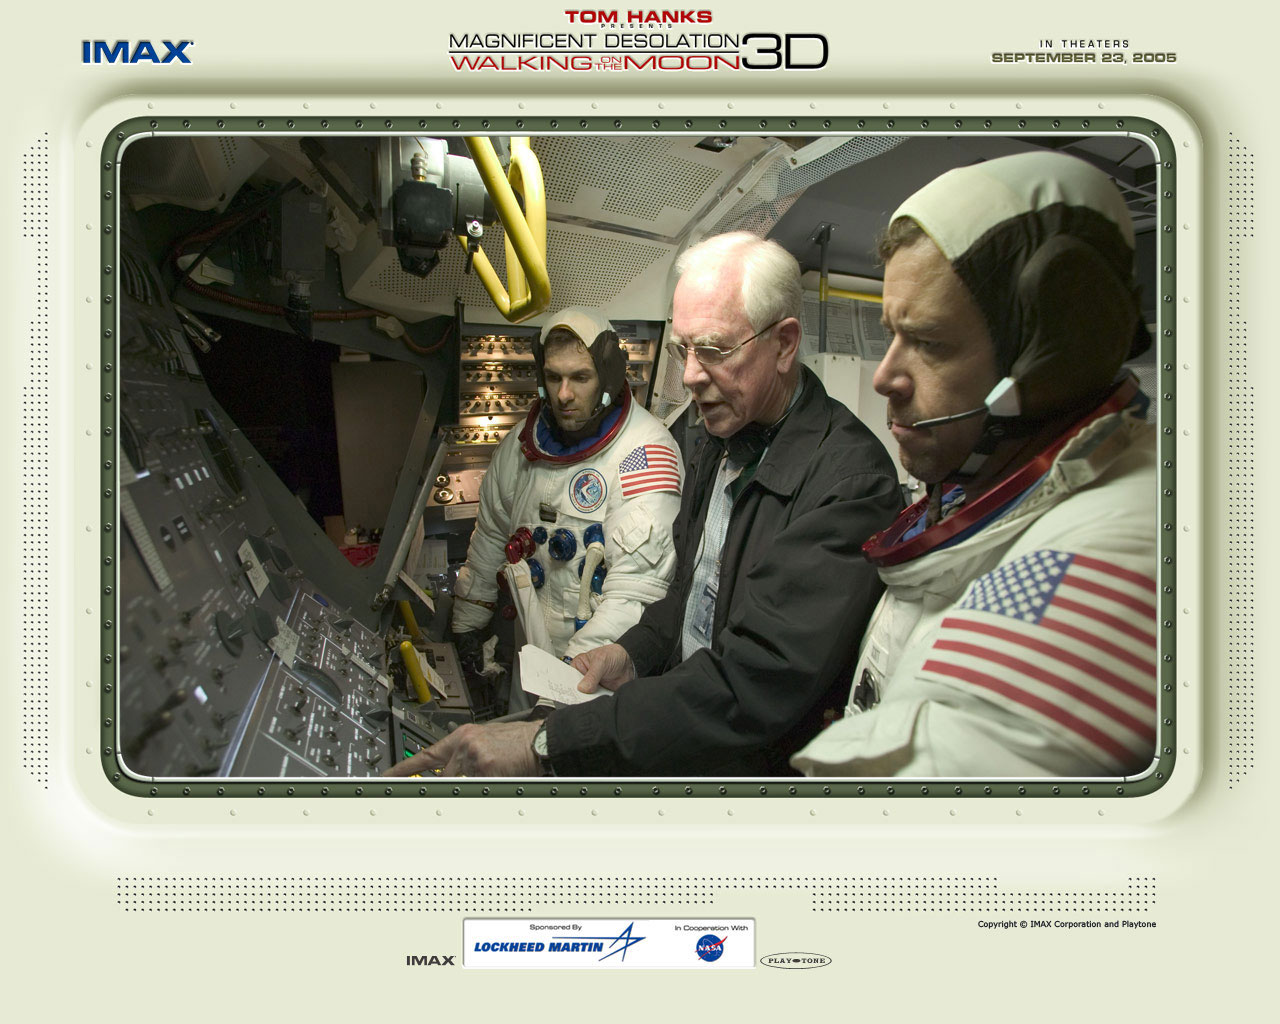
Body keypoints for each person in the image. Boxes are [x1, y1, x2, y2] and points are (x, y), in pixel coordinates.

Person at [387, 232, 900, 777]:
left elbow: (754, 684)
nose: (690, 376)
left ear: (784, 344)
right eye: (683, 350)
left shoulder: (850, 484)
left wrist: (551, 742)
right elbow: (685, 598)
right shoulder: (716, 443)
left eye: (714, 350)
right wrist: (631, 653)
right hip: (681, 732)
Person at [791, 150, 1158, 778]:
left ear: (1051, 355)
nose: (884, 377)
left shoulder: (1120, 550)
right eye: (891, 334)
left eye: (929, 342)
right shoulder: (980, 483)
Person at [448, 307, 682, 678]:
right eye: (554, 377)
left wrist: (570, 676)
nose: (564, 394)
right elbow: (491, 539)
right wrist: (469, 623)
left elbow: (635, 596)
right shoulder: (520, 446)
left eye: (580, 377)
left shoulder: (644, 454)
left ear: (607, 377)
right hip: (528, 651)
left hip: (599, 671)